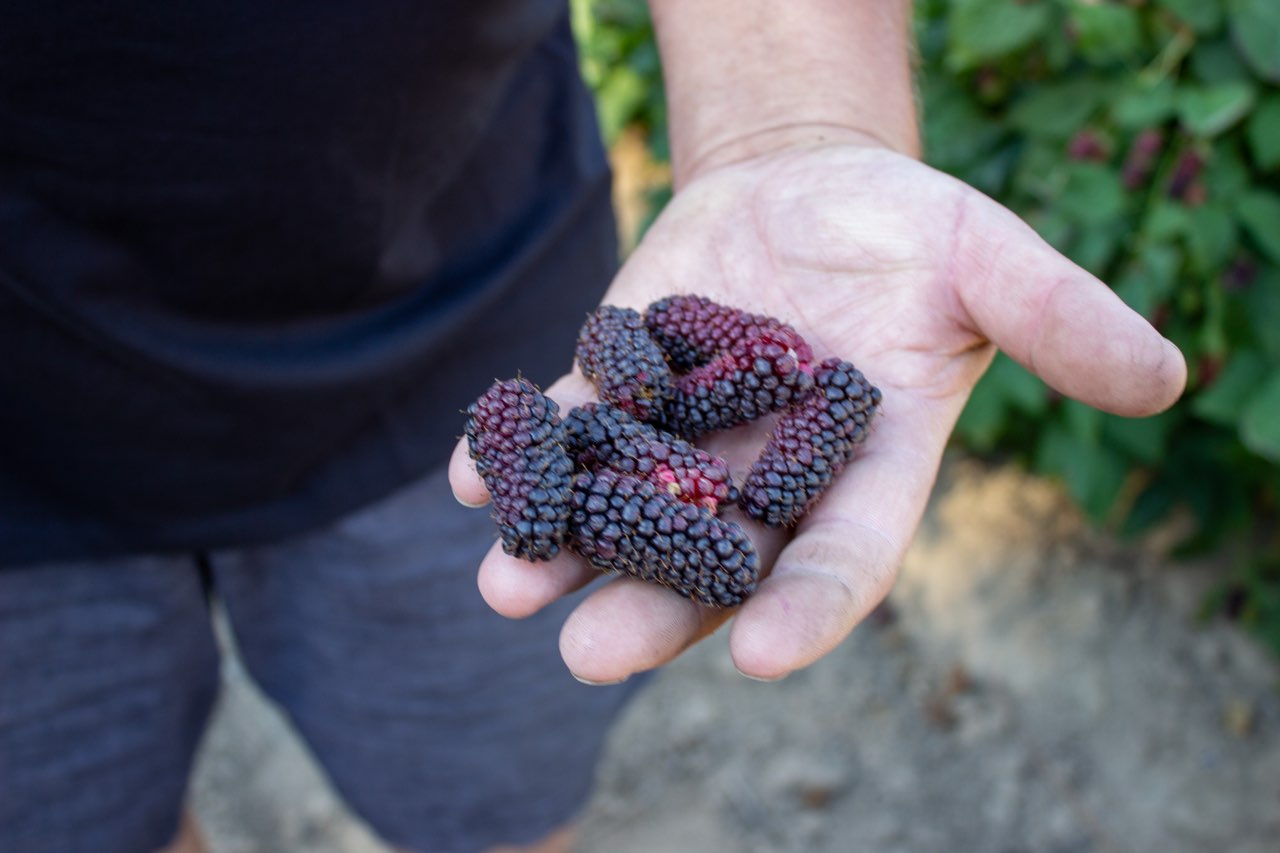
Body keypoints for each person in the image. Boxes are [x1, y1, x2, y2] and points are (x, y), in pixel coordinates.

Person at [0, 2, 1186, 852]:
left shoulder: (595, 413)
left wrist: (789, 125)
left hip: (443, 321)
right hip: (23, 442)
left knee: (490, 804)